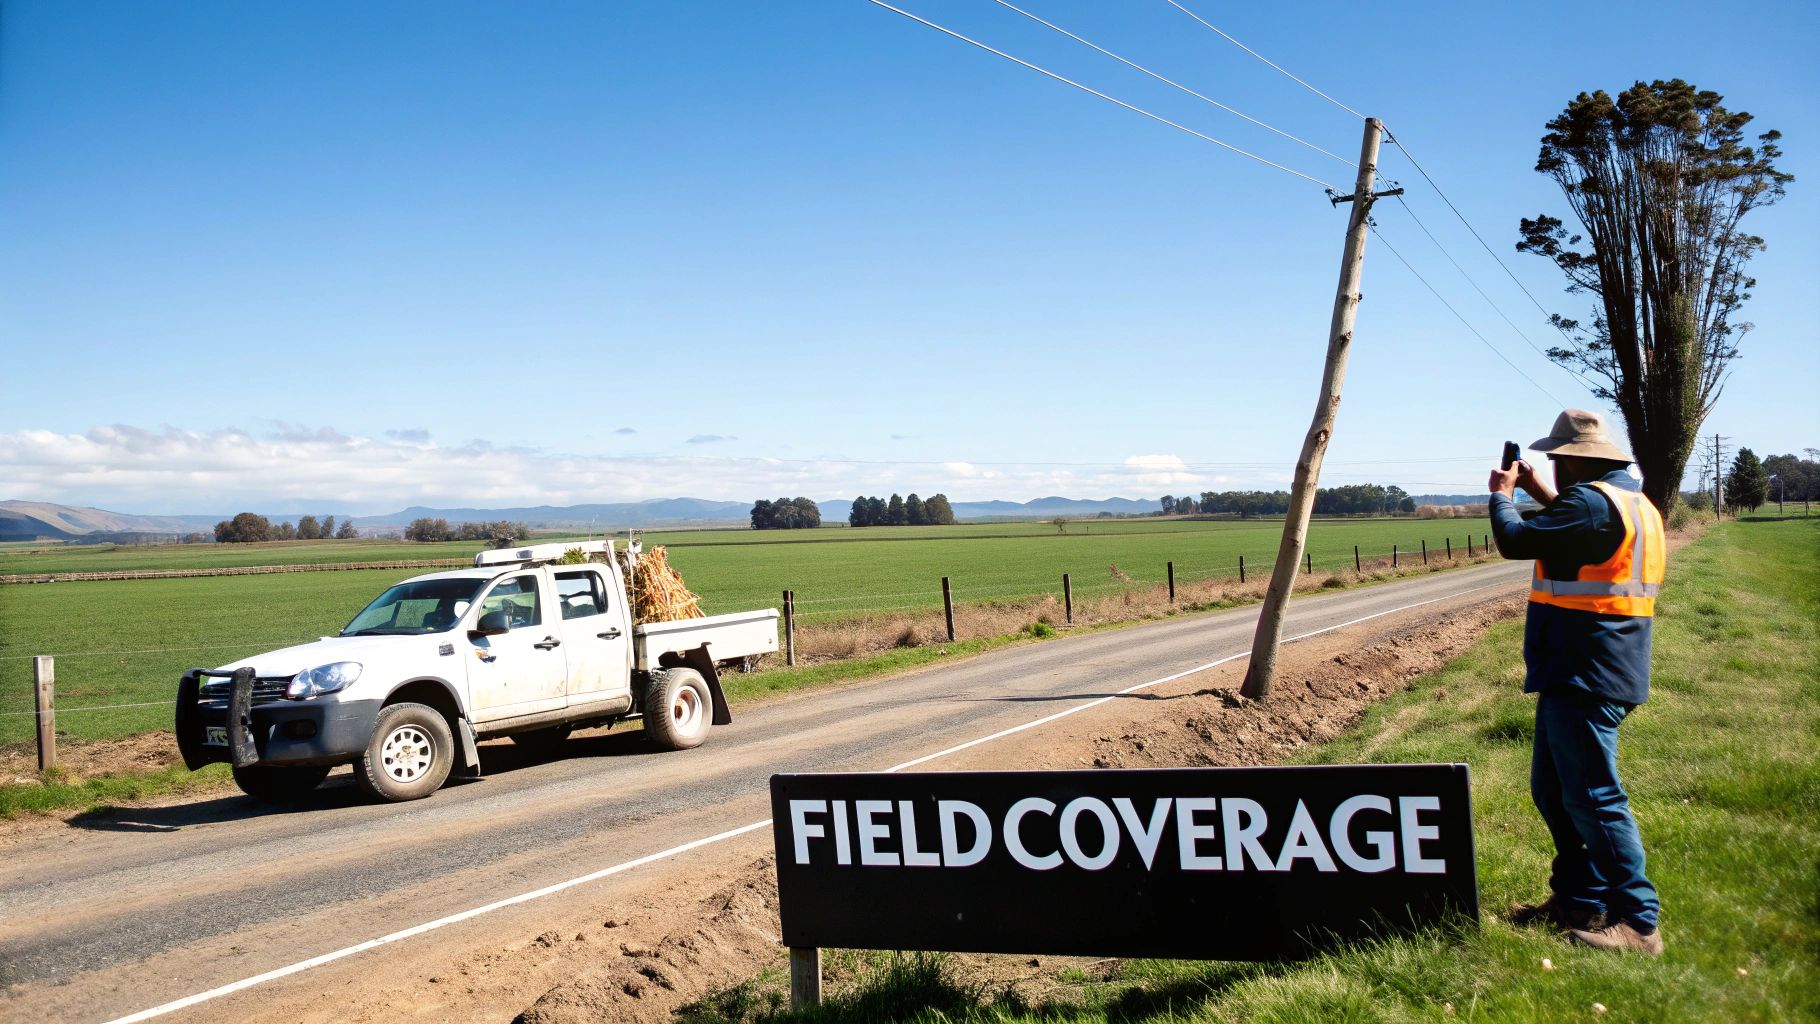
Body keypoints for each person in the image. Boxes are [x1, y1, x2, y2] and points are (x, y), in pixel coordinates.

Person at [1487, 408, 1667, 956]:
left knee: (1592, 795)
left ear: (1574, 462)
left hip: (1587, 671)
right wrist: (1541, 492)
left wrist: (1501, 494)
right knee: (1554, 791)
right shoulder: (1628, 502)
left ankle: (1638, 922)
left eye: (1557, 461)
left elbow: (1515, 541)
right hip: (1594, 667)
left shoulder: (1588, 503)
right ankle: (1579, 900)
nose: (1554, 468)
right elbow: (1578, 533)